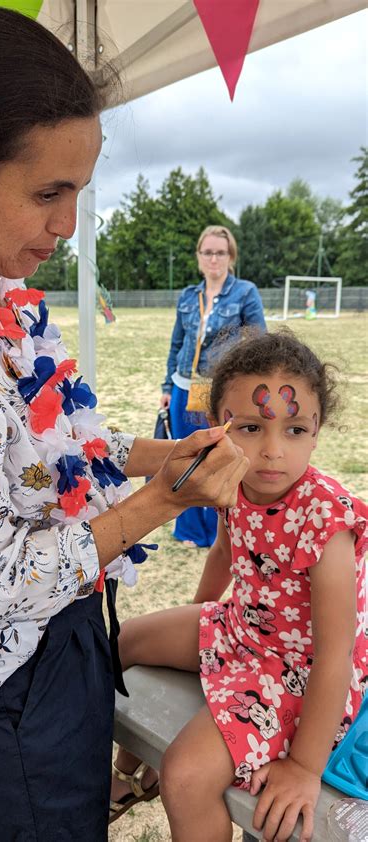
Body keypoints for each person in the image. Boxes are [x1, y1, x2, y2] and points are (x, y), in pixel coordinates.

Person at [0, 8, 250, 842]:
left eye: (79, 194)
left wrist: (162, 452)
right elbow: (6, 578)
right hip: (1, 673)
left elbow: (51, 447)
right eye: (47, 193)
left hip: (64, 628)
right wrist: (161, 502)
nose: (66, 225)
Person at [113, 330, 367, 842]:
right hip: (240, 629)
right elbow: (226, 553)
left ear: (318, 431)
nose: (273, 452)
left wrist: (302, 767)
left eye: (295, 430)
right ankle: (132, 773)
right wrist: (198, 627)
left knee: (187, 775)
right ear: (217, 426)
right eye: (251, 427)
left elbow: (335, 658)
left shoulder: (325, 520)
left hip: (299, 671)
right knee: (125, 642)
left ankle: (164, 776)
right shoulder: (229, 479)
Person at [161, 225, 266, 549]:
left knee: (218, 456)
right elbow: (177, 343)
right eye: (207, 252)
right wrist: (166, 385)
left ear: (230, 256)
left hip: (220, 389)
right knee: (186, 453)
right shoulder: (188, 296)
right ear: (199, 257)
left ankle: (222, 527)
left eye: (220, 252)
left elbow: (259, 340)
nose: (213, 258)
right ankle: (190, 530)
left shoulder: (245, 292)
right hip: (183, 386)